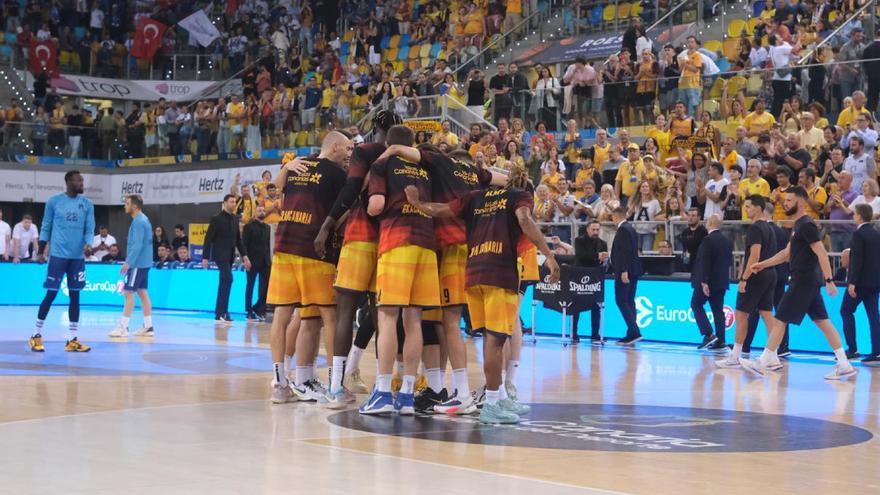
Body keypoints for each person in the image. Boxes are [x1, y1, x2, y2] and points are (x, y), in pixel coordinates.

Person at [404, 164, 560, 424]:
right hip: (500, 273)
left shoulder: (475, 197)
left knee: (490, 338)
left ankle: (498, 398)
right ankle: (492, 403)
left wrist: (416, 202)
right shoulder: (518, 197)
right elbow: (524, 219)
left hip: (473, 275)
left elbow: (440, 210)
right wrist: (550, 256)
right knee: (496, 341)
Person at [311, 110, 402, 403]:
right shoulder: (404, 157)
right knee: (383, 318)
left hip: (359, 237)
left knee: (346, 311)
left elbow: (350, 190)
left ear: (375, 126)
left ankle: (337, 386)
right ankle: (384, 387)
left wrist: (326, 226)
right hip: (388, 240)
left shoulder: (365, 151)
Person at [359, 125, 440, 416]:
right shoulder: (426, 168)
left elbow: (376, 205)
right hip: (427, 246)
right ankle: (407, 395)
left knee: (387, 316)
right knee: (414, 318)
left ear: (388, 144)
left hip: (396, 242)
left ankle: (382, 391)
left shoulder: (383, 163)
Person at [267, 132, 351, 405]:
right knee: (329, 315)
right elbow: (342, 213)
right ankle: (335, 386)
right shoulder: (337, 175)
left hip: (284, 247)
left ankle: (284, 383)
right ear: (335, 147)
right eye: (348, 149)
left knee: (289, 315)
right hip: (314, 249)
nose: (350, 154)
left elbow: (275, 190)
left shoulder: (297, 166)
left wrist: (284, 168)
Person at [744, 187, 857, 380]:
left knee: (780, 319)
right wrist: (763, 264)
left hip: (803, 281)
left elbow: (821, 252)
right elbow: (787, 254)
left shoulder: (807, 225)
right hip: (807, 281)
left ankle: (765, 360)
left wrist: (829, 280)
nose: (785, 203)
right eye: (785, 200)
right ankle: (844, 364)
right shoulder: (798, 225)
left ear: (801, 202)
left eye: (789, 200)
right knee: (822, 321)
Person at [29, 171, 95, 353]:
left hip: (77, 258)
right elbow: (46, 227)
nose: (82, 182)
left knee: (75, 296)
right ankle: (35, 335)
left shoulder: (88, 204)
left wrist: (89, 244)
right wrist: (41, 251)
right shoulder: (54, 202)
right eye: (78, 180)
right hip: (58, 255)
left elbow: (90, 228)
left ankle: (72, 339)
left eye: (82, 180)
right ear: (68, 182)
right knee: (51, 294)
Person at [716, 195, 778, 369]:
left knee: (742, 314)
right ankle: (773, 355)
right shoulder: (769, 227)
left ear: (759, 208)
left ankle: (735, 356)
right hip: (770, 274)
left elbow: (755, 255)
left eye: (749, 206)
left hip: (756, 274)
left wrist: (744, 277)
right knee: (767, 314)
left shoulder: (755, 228)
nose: (747, 209)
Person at [109, 195, 155, 338]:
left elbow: (138, 245)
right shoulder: (142, 219)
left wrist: (128, 262)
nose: (125, 206)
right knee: (142, 292)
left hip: (137, 264)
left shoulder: (139, 222)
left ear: (134, 206)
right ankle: (148, 326)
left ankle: (123, 327)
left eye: (127, 203)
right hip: (144, 263)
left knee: (128, 293)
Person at [202, 194, 250, 324]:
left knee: (225, 282)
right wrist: (205, 257)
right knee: (228, 278)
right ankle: (222, 312)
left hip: (230, 256)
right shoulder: (216, 219)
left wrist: (245, 255)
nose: (233, 204)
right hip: (219, 255)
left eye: (235, 202)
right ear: (224, 203)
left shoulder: (235, 219)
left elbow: (238, 240)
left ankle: (220, 312)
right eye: (231, 202)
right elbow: (208, 239)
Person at [842, 204, 880, 363]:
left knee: (845, 311)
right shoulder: (876, 233)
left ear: (859, 216)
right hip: (875, 281)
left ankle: (852, 348)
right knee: (873, 316)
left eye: (854, 214)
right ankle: (876, 351)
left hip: (860, 283)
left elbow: (857, 260)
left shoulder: (858, 234)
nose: (853, 217)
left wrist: (852, 282)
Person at [691, 215, 732, 350]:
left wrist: (704, 282)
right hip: (721, 281)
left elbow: (705, 262)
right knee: (718, 311)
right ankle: (721, 340)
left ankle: (708, 334)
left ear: (710, 223)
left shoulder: (708, 240)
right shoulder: (726, 240)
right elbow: (729, 262)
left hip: (708, 281)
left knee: (696, 304)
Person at [610, 206, 643, 345]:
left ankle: (634, 331)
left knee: (622, 301)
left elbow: (624, 252)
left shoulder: (623, 229)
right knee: (629, 302)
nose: (612, 220)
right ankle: (631, 334)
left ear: (617, 217)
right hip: (633, 270)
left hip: (626, 271)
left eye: (612, 217)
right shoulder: (631, 228)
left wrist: (623, 270)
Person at [573, 220, 608, 343]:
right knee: (576, 307)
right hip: (580, 277)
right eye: (593, 229)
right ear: (587, 229)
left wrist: (604, 259)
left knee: (596, 306)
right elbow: (581, 255)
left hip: (595, 278)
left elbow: (602, 260)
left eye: (597, 230)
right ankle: (574, 334)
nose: (595, 232)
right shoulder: (579, 241)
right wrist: (597, 256)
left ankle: (595, 334)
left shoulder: (603, 243)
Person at [242, 205, 271, 322]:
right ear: (254, 213)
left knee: (267, 286)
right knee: (250, 286)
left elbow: (267, 245)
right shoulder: (248, 227)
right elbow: (244, 243)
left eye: (263, 210)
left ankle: (259, 307)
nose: (262, 212)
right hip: (252, 261)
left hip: (265, 261)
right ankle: (249, 310)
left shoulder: (268, 227)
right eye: (259, 210)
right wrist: (246, 258)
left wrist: (269, 260)